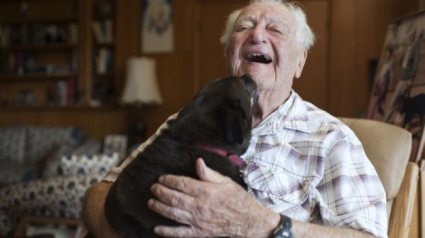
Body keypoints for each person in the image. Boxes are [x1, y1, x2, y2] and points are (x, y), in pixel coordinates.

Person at [83, 1, 388, 238]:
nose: (257, 35)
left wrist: (263, 225)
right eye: (244, 27)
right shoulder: (188, 120)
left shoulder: (330, 139)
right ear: (230, 53)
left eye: (275, 30)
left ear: (300, 61)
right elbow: (101, 192)